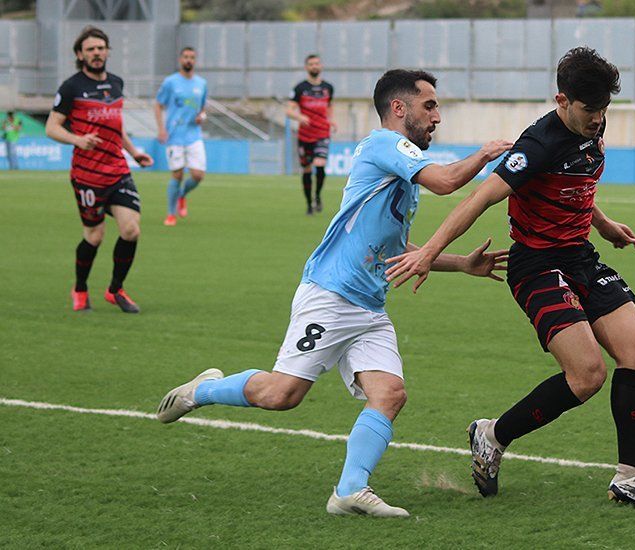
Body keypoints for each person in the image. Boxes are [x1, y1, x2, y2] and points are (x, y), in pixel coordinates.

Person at [157, 69, 512, 517]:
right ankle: (202, 391)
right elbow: (445, 181)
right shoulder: (385, 143)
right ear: (399, 108)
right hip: (331, 293)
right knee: (282, 395)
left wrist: (460, 264)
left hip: (368, 305)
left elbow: (395, 247)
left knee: (390, 394)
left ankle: (348, 490)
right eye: (430, 106)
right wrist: (483, 154)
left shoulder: (399, 168)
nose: (437, 116)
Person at [384, 47, 635, 510]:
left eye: (604, 110)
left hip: (580, 255)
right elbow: (478, 200)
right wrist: (430, 253)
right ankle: (492, 435)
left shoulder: (589, 123)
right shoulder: (538, 143)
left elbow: (577, 177)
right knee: (586, 375)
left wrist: (603, 224)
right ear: (562, 100)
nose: (598, 119)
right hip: (537, 265)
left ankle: (631, 476)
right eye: (589, 111)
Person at [45, 26, 153, 314]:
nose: (97, 53)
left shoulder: (116, 83)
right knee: (95, 236)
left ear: (107, 51)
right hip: (87, 175)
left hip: (117, 169)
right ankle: (80, 288)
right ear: (80, 54)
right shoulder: (71, 87)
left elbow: (117, 127)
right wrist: (78, 140)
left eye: (101, 48)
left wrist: (135, 153)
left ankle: (115, 289)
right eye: (91, 49)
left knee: (131, 230)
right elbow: (51, 127)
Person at [154, 47, 208, 226]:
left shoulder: (201, 84)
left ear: (195, 60)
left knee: (198, 175)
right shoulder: (170, 82)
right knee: (177, 174)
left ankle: (182, 195)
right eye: (186, 57)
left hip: (194, 135)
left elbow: (202, 108)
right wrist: (161, 129)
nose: (188, 60)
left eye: (192, 57)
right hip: (175, 135)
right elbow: (158, 105)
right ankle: (170, 214)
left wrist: (202, 116)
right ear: (180, 60)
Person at [286, 54, 336, 215]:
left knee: (319, 164)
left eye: (317, 63)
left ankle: (318, 196)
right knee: (307, 170)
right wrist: (299, 117)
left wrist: (332, 121)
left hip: (322, 133)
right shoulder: (300, 88)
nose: (314, 66)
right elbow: (288, 110)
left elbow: (329, 107)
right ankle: (309, 203)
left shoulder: (328, 87)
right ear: (306, 67)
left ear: (321, 66)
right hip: (305, 135)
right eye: (311, 64)